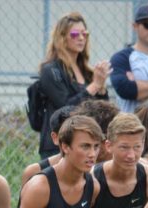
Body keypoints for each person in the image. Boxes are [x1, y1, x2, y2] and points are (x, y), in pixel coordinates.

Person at [37, 12, 110, 157]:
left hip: (88, 143)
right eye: (75, 34)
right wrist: (94, 86)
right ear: (62, 37)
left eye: (85, 34)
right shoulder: (51, 70)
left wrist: (101, 88)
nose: (81, 38)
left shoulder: (88, 72)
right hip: (59, 145)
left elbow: (103, 110)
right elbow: (65, 108)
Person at [109, 4, 148, 113]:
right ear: (135, 26)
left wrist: (141, 90)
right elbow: (126, 90)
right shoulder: (122, 58)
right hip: (131, 124)